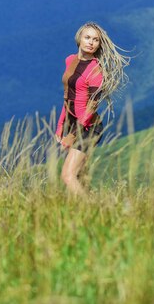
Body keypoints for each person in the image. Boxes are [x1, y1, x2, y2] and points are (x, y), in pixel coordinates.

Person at [55, 22, 129, 195]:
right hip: (73, 124)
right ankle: (95, 212)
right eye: (87, 37)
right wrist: (60, 127)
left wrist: (72, 135)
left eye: (95, 40)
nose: (91, 42)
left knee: (67, 176)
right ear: (79, 38)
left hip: (88, 127)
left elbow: (92, 105)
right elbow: (68, 97)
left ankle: (91, 209)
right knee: (80, 177)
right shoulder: (70, 60)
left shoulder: (95, 70)